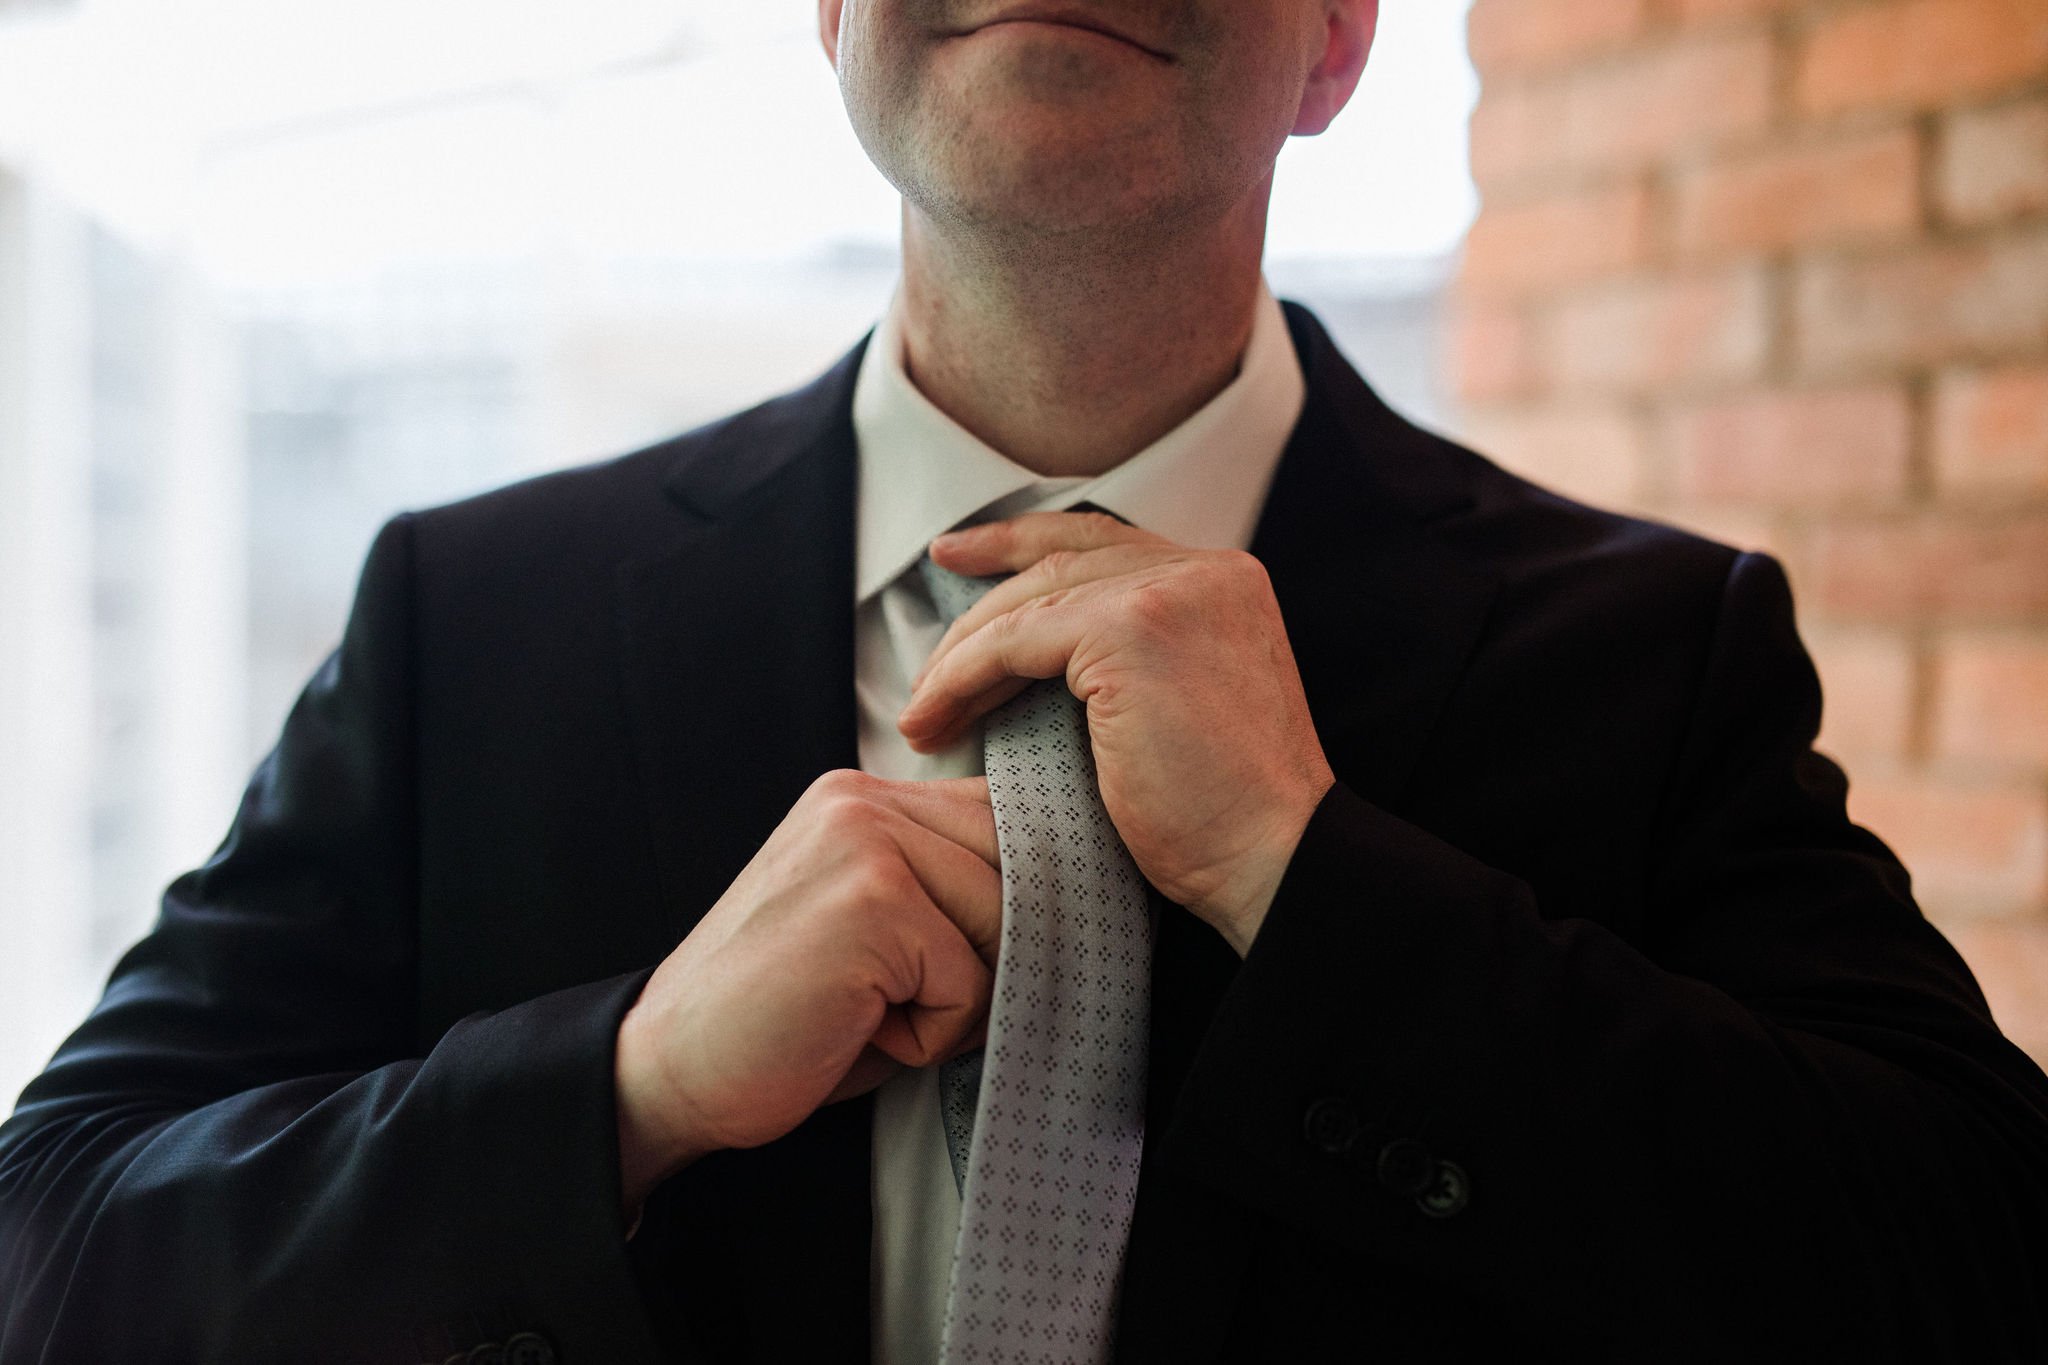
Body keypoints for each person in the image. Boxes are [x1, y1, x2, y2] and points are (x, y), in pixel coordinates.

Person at [3, 0, 2046, 1360]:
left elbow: (1969, 1260)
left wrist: (1315, 877)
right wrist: (624, 1087)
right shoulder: (473, 609)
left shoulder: (1652, 649)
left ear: (1337, 41)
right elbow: (55, 1243)